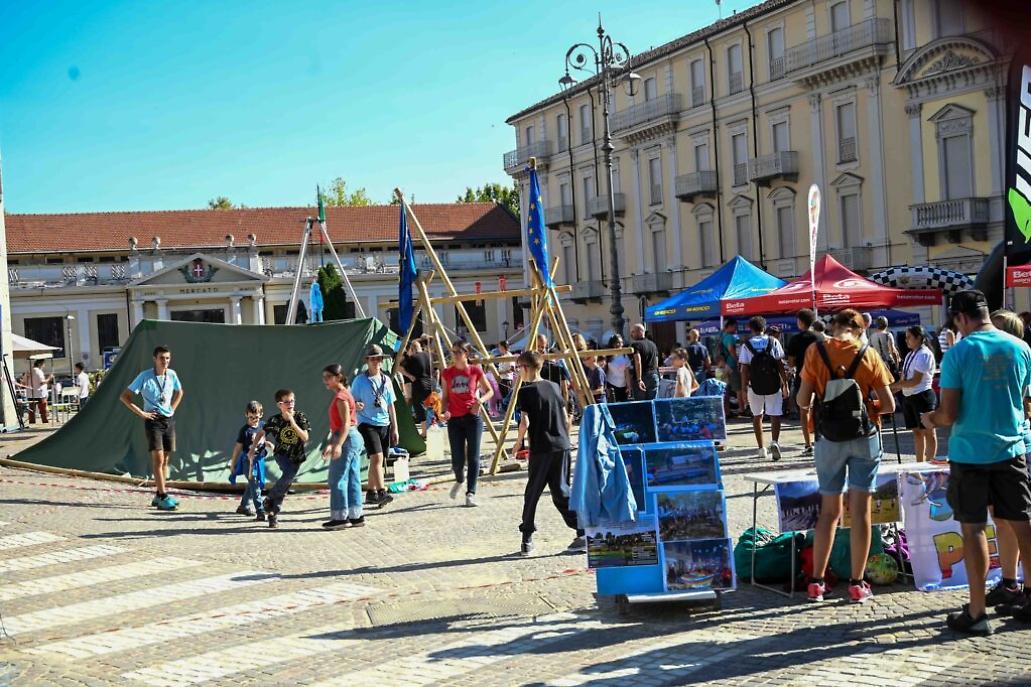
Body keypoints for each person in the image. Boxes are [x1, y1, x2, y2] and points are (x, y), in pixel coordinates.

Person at [921, 291, 1031, 633]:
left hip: (970, 454)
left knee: (972, 529)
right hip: (1011, 448)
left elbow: (949, 414)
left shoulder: (959, 353)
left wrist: (930, 420)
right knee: (1022, 523)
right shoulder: (1021, 348)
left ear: (961, 318)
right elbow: (1024, 401)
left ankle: (978, 611)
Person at [797, 309, 895, 605]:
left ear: (833, 327)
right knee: (861, 512)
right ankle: (857, 583)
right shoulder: (869, 355)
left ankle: (816, 583)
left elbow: (802, 401)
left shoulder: (815, 352)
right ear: (860, 330)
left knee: (829, 512)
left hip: (828, 438)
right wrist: (868, 406)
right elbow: (889, 405)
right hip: (865, 438)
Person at [513, 350, 586, 555]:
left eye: (519, 368)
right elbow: (564, 416)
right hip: (561, 446)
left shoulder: (526, 391)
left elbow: (524, 422)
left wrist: (518, 442)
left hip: (542, 448)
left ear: (526, 368)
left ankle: (526, 539)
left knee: (532, 494)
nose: (518, 372)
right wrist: (563, 437)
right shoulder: (553, 386)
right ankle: (583, 533)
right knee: (562, 492)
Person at [983, 309, 1031, 615]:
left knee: (1021, 519)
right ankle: (1010, 582)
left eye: (998, 330)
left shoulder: (1021, 358)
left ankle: (1027, 588)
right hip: (993, 447)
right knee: (1000, 518)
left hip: (1019, 446)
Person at [120, 346, 184, 511]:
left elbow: (180, 392)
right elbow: (124, 396)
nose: (165, 361)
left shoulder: (172, 375)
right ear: (154, 359)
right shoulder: (144, 376)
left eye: (168, 358)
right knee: (158, 459)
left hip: (168, 420)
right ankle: (163, 496)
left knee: (166, 460)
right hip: (153, 420)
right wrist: (141, 413)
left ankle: (158, 494)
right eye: (162, 358)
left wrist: (172, 408)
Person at [441, 341, 493, 507]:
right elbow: (445, 397)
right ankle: (459, 479)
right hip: (454, 419)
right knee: (457, 459)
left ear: (467, 354)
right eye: (453, 351)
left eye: (458, 352)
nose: (455, 355)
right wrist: (443, 413)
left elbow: (489, 390)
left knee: (474, 456)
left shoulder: (475, 370)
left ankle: (471, 492)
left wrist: (481, 400)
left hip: (472, 418)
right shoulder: (447, 373)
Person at [251, 388, 311, 529]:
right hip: (282, 455)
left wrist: (292, 421)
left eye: (292, 401)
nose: (290, 404)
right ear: (279, 404)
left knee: (285, 484)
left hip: (296, 456)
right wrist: (253, 448)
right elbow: (261, 432)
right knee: (288, 477)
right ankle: (270, 499)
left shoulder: (300, 417)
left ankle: (272, 513)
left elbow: (305, 438)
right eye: (286, 402)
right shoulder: (275, 420)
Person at [351, 344, 399, 509]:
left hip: (384, 423)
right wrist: (357, 405)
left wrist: (395, 428)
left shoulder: (386, 380)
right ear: (367, 361)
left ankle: (371, 492)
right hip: (366, 423)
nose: (376, 362)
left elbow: (391, 405)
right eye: (373, 359)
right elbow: (352, 402)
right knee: (377, 458)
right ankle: (381, 491)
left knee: (377, 459)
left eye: (379, 359)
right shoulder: (359, 380)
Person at [320, 364, 366, 530]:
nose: (325, 381)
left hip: (347, 439)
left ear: (338, 377)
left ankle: (340, 517)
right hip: (349, 438)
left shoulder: (341, 397)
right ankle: (356, 515)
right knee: (353, 478)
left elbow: (345, 424)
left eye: (328, 377)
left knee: (337, 479)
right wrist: (331, 443)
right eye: (324, 377)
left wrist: (337, 445)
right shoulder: (345, 394)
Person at [738, 316, 789, 462]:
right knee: (775, 414)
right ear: (764, 327)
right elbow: (780, 365)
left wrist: (743, 389)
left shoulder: (746, 345)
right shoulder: (773, 341)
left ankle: (761, 448)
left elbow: (744, 369)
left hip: (754, 386)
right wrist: (785, 384)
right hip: (773, 384)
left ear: (751, 328)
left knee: (757, 416)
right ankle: (775, 442)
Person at [890, 326, 938, 463]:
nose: (906, 340)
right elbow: (904, 380)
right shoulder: (911, 354)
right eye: (905, 337)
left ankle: (929, 464)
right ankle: (919, 463)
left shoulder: (924, 354)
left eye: (909, 337)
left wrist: (892, 387)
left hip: (922, 395)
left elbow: (915, 381)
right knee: (917, 433)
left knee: (929, 432)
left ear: (919, 338)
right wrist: (891, 391)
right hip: (909, 397)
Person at [786, 309, 819, 456]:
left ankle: (808, 444)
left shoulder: (795, 339)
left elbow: (791, 363)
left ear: (800, 322)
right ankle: (821, 441)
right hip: (820, 377)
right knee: (821, 409)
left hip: (803, 377)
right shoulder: (820, 338)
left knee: (803, 410)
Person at [228, 400, 267, 520]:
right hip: (248, 463)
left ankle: (243, 506)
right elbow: (238, 448)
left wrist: (269, 444)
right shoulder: (244, 431)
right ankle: (260, 511)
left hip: (259, 461)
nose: (253, 420)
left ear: (261, 414)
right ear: (246, 414)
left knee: (252, 486)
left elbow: (263, 440)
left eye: (256, 417)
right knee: (255, 486)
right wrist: (233, 463)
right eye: (251, 417)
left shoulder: (263, 426)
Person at [400, 339, 435, 440]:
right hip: (431, 384)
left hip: (420, 384)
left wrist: (409, 376)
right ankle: (432, 428)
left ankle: (424, 432)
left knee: (418, 407)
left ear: (412, 349)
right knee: (430, 407)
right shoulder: (429, 356)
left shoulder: (413, 358)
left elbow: (400, 368)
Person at [720, 320, 746, 418]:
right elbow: (731, 350)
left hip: (724, 366)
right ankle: (742, 409)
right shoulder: (730, 337)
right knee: (738, 388)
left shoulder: (722, 336)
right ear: (729, 326)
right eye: (734, 327)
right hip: (732, 365)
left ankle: (727, 411)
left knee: (725, 390)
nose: (736, 329)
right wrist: (738, 361)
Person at [535, 334, 570, 404]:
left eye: (542, 347)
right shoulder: (533, 364)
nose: (540, 349)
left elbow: (565, 389)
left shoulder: (557, 366)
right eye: (538, 346)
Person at [630, 323, 660, 401]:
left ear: (639, 332)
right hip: (654, 375)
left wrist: (639, 379)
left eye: (633, 332)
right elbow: (656, 361)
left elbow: (638, 361)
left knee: (641, 405)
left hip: (643, 376)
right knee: (653, 403)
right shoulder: (653, 344)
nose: (631, 334)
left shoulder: (635, 345)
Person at [869, 316, 902, 381]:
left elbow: (870, 352)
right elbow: (893, 351)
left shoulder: (871, 337)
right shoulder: (888, 335)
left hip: (878, 363)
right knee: (896, 384)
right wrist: (896, 365)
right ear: (886, 324)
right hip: (889, 362)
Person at [604, 334, 631, 403]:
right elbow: (604, 370)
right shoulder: (608, 356)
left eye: (621, 342)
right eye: (618, 342)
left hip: (623, 385)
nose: (620, 344)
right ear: (613, 344)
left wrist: (629, 386)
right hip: (611, 384)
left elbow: (627, 372)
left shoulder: (624, 355)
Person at [26, 359, 53, 424]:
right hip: (39, 393)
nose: (44, 366)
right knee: (43, 409)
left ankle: (32, 422)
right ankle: (45, 421)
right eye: (43, 364)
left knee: (32, 410)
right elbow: (41, 382)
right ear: (40, 364)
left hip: (30, 393)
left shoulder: (29, 371)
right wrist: (49, 378)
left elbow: (24, 381)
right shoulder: (38, 371)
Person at [495, 340, 516, 411]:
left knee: (507, 399)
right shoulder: (503, 356)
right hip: (502, 379)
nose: (499, 348)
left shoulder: (509, 356)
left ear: (504, 347)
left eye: (500, 347)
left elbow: (512, 369)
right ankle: (507, 415)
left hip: (507, 379)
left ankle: (510, 415)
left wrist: (501, 372)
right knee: (504, 398)